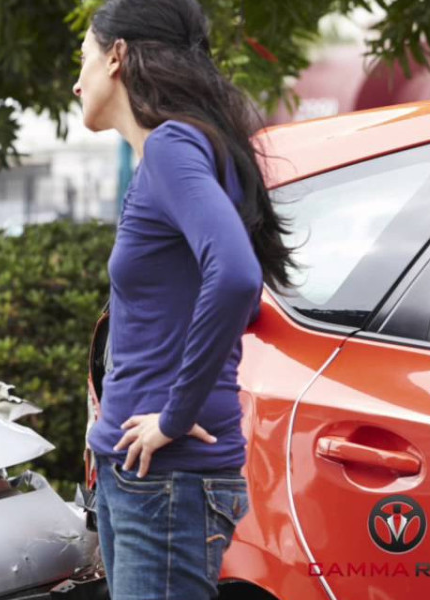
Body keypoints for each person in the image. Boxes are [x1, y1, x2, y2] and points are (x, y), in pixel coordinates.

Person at [73, 0, 295, 598]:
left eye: (85, 58)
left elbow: (236, 278)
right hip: (145, 476)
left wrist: (175, 413)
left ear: (117, 57)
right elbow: (227, 295)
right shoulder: (186, 150)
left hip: (164, 479)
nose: (77, 81)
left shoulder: (173, 146)